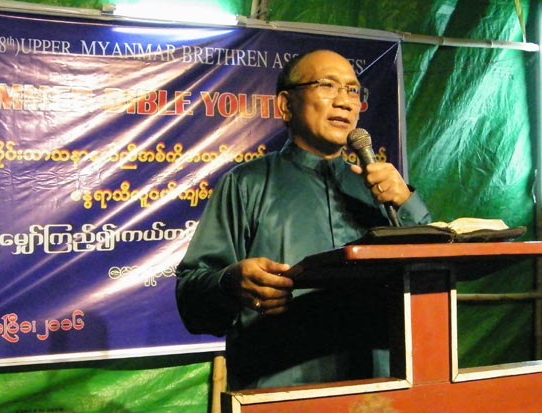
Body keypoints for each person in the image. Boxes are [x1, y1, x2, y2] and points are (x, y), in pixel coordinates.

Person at [176, 49, 432, 392]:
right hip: (280, 394)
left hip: (380, 392)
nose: (345, 102)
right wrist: (230, 283)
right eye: (328, 85)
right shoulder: (247, 184)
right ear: (285, 105)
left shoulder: (379, 190)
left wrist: (407, 202)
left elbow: (432, 275)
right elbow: (192, 296)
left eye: (353, 91)